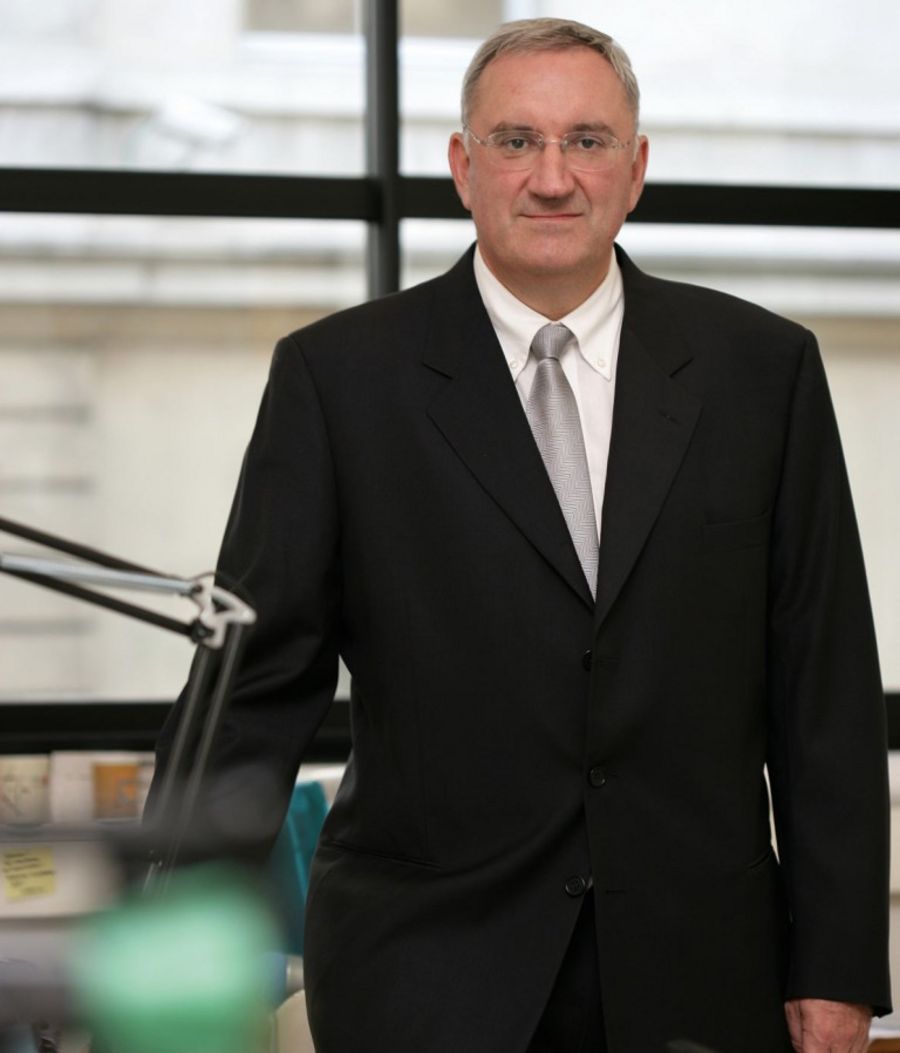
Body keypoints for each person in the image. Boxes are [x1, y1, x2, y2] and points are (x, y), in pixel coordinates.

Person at [151, 17, 891, 1053]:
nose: (553, 177)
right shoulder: (339, 381)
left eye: (587, 141)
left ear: (635, 170)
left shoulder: (762, 373)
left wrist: (837, 966)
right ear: (463, 166)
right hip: (425, 977)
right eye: (516, 141)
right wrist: (172, 958)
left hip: (702, 977)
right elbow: (255, 694)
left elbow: (825, 695)